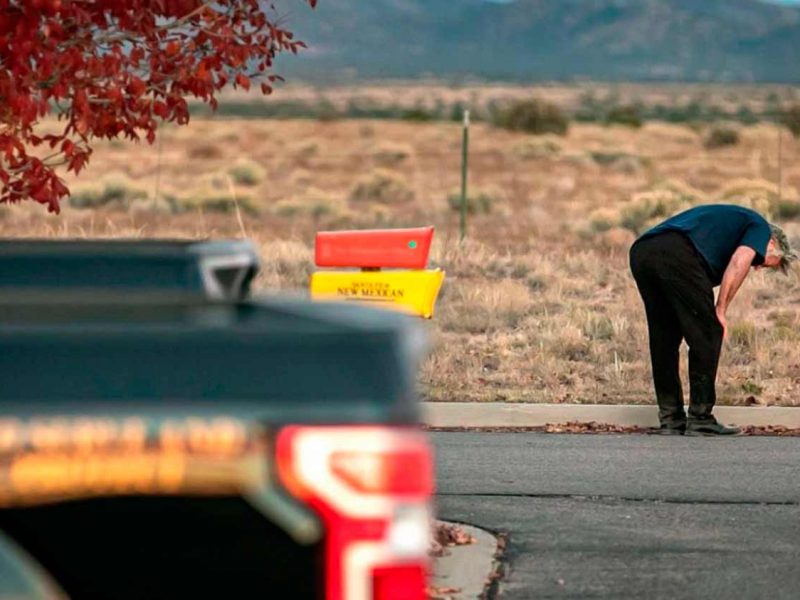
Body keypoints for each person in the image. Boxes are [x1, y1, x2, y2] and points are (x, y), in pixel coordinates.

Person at [629, 204, 796, 436]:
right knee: (709, 332)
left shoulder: (732, 226)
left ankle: (671, 419)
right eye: (762, 262)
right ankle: (700, 419)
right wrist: (721, 310)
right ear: (772, 243)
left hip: (642, 251)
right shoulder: (760, 227)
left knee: (665, 338)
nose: (757, 267)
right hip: (676, 252)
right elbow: (739, 262)